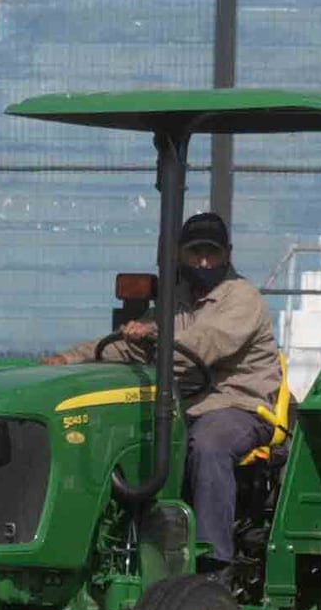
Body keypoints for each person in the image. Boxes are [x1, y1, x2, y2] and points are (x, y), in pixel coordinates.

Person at [67, 210, 284, 565]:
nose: (203, 260)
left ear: (227, 253)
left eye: (211, 252)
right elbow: (130, 348)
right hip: (184, 406)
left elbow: (204, 343)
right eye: (195, 251)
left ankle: (214, 561)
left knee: (209, 445)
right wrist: (66, 359)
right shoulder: (175, 299)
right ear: (180, 255)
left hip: (237, 406)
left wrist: (153, 334)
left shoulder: (242, 297)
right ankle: (115, 551)